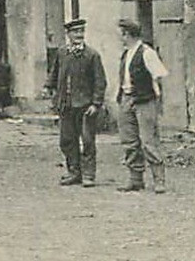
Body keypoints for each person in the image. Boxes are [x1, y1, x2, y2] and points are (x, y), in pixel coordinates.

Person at [115, 18, 170, 193]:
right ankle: (135, 179)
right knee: (129, 141)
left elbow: (159, 75)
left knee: (149, 141)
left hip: (144, 101)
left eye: (121, 34)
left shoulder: (147, 52)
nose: (120, 38)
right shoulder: (126, 53)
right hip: (126, 99)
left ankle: (159, 179)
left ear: (127, 34)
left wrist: (157, 99)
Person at [50, 18, 105, 187]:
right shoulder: (61, 53)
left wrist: (95, 103)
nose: (79, 35)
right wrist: (49, 88)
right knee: (67, 140)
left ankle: (89, 175)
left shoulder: (92, 55)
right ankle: (74, 172)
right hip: (66, 104)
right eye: (75, 32)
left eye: (81, 31)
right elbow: (54, 74)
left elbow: (100, 81)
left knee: (87, 140)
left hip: (85, 105)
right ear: (68, 34)